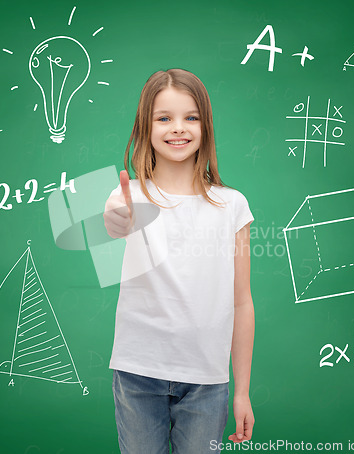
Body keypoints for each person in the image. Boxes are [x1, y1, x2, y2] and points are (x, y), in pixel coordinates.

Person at [103, 68, 255, 453]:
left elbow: (242, 302)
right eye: (164, 118)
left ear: (205, 126)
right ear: (145, 127)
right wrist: (117, 217)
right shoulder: (129, 195)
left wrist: (242, 392)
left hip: (207, 380)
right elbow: (114, 223)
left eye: (191, 117)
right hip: (138, 374)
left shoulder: (231, 205)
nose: (178, 128)